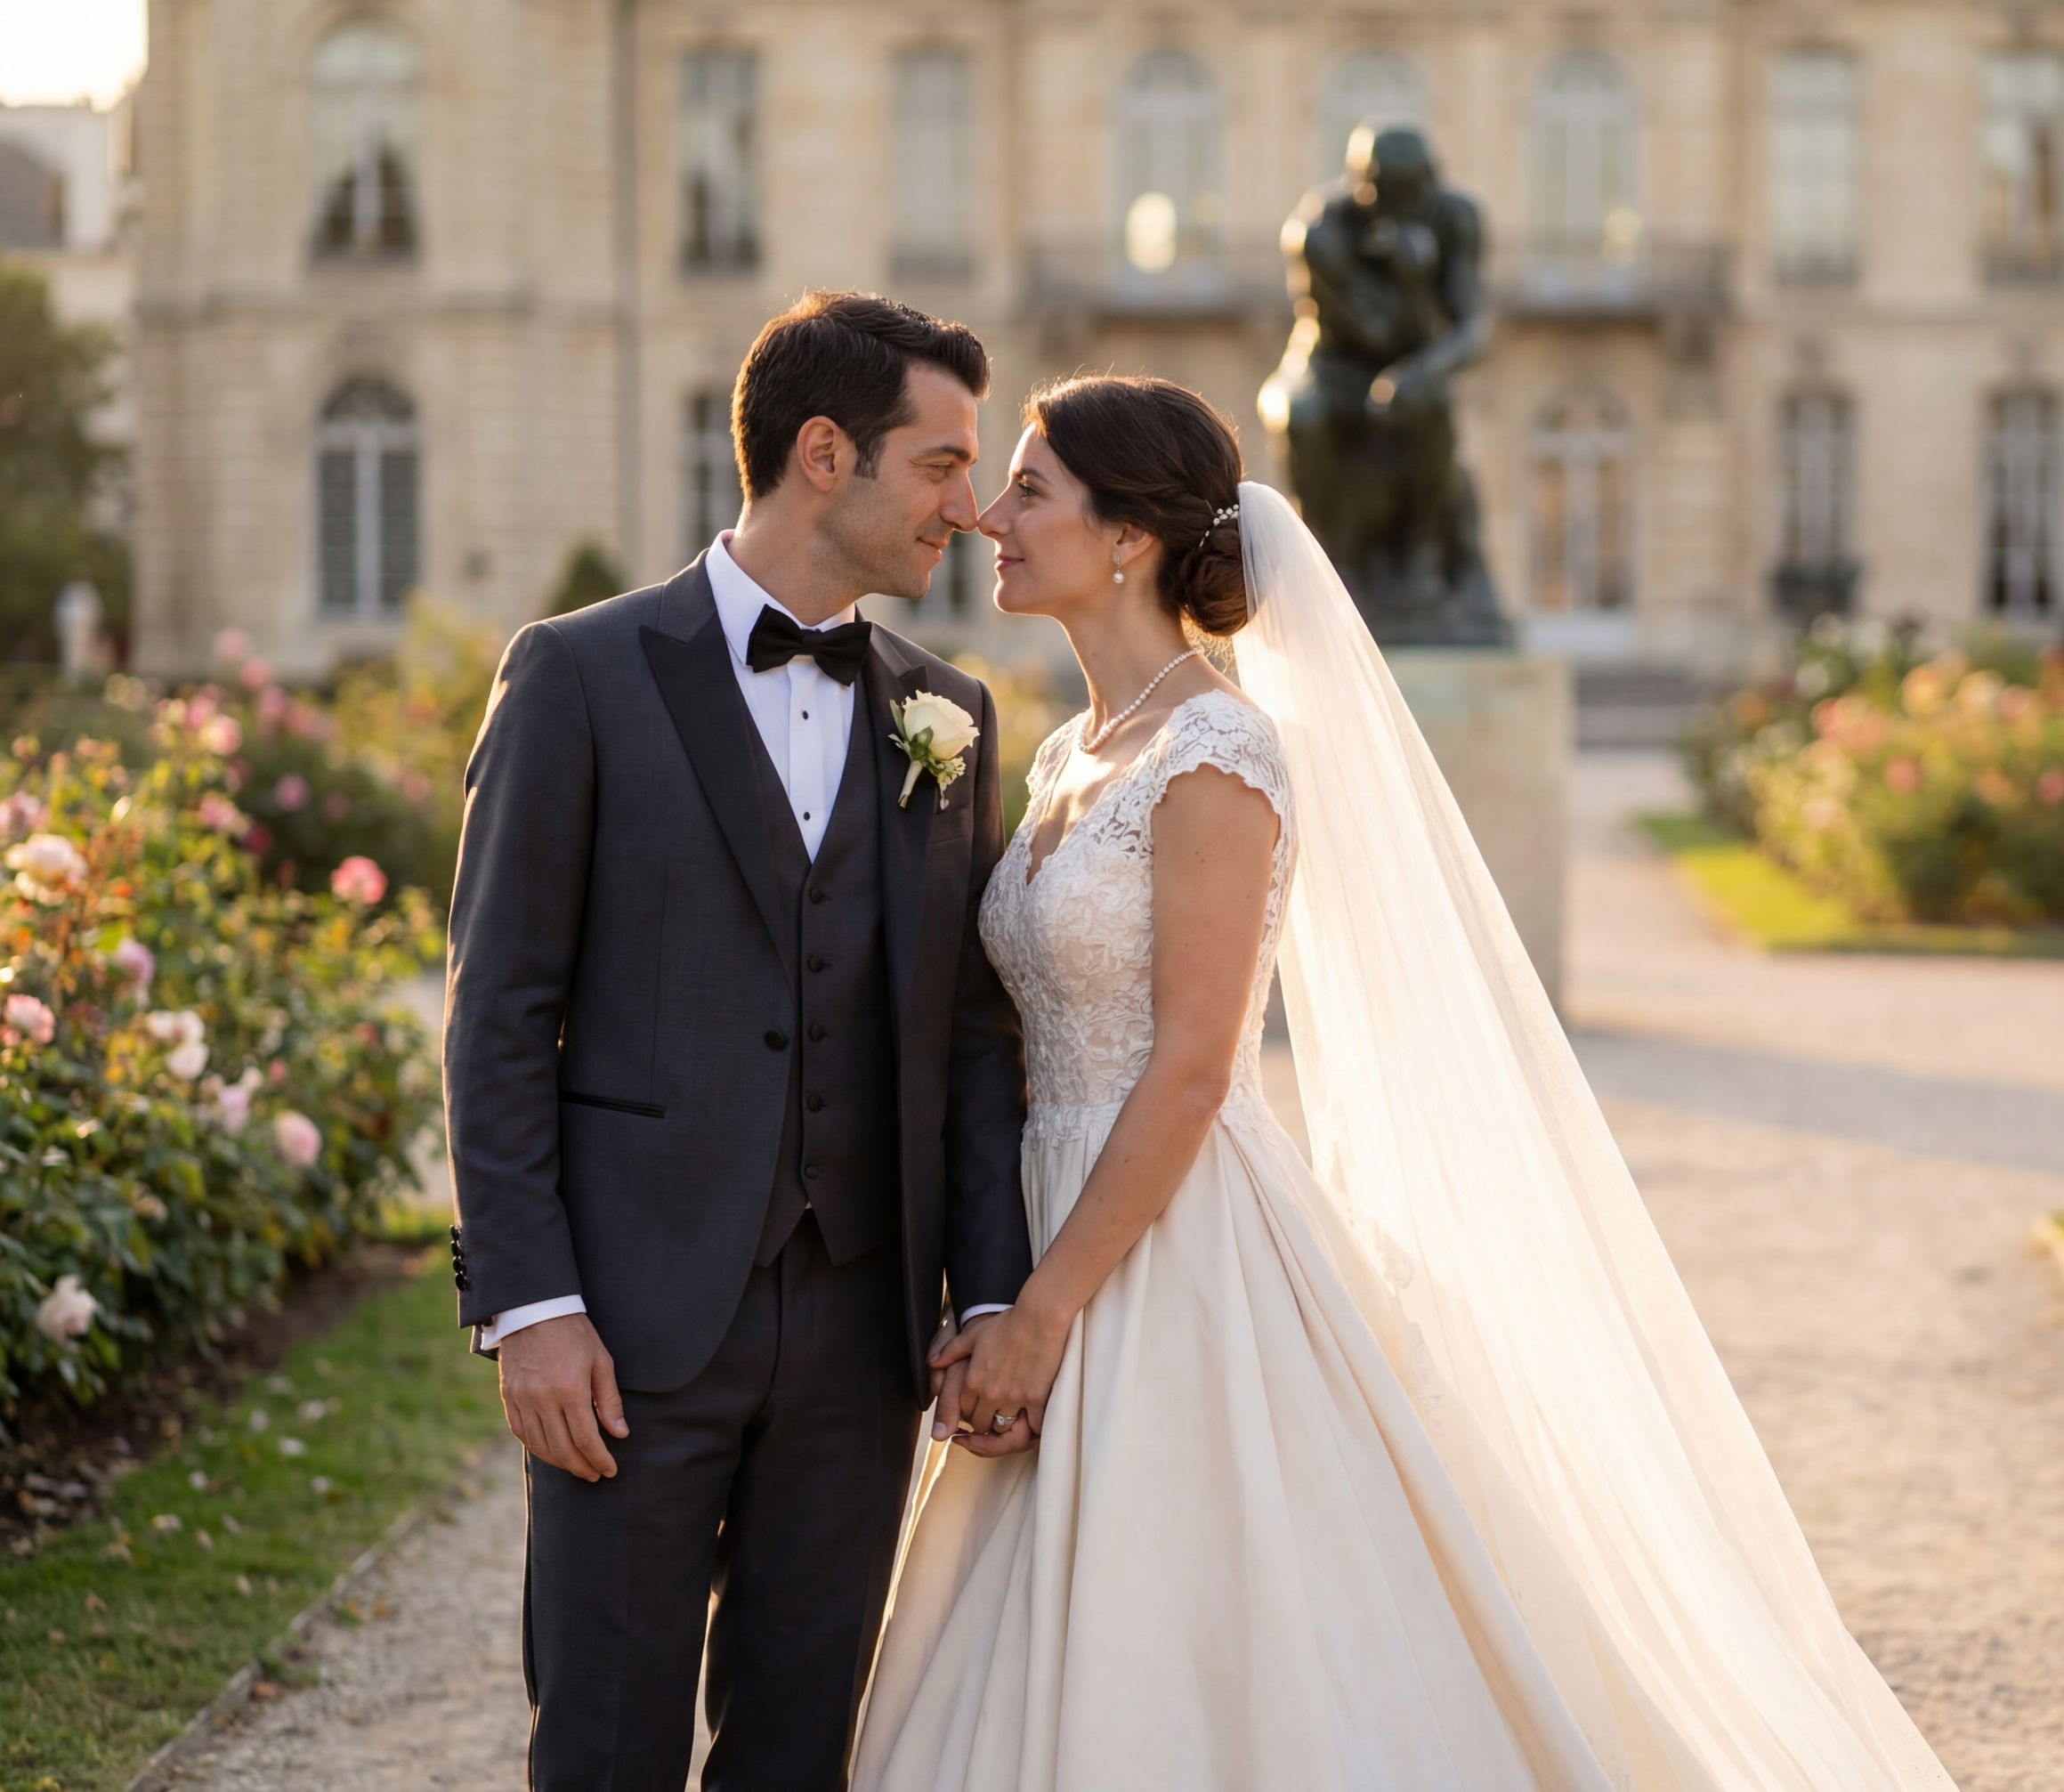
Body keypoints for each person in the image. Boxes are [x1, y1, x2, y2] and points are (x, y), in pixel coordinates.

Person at [853, 375, 1958, 1790]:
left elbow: (1193, 1071)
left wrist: (1048, 1307)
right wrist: (993, 1287)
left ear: (1127, 536)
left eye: (1029, 490)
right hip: (1047, 1212)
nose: (989, 518)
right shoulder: (1071, 752)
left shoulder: (1216, 753)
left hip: (1177, 1241)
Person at [442, 290, 1035, 1791]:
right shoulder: (578, 673)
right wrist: (530, 1306)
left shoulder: (945, 715)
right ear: (823, 453)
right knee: (605, 1742)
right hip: (627, 1326)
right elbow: (498, 1010)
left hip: (860, 1334)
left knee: (799, 1750)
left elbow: (970, 1042)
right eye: (942, 465)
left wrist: (989, 1295)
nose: (968, 511)